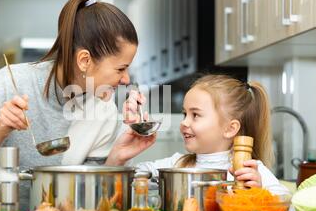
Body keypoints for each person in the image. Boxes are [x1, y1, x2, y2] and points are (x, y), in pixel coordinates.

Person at [0, 0, 155, 211]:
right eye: (121, 69)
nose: (127, 79)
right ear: (84, 61)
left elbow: (91, 206)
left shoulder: (104, 111)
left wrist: (118, 155)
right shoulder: (9, 83)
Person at [122, 74, 290, 195]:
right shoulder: (178, 163)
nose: (184, 123)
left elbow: (288, 208)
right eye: (184, 114)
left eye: (195, 115)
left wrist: (259, 193)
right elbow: (135, 174)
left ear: (230, 129)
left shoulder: (248, 170)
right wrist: (125, 156)